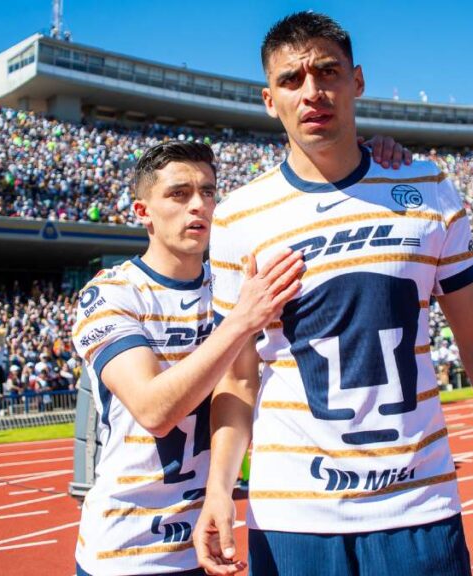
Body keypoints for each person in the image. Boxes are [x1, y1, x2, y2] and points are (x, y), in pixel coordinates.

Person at [197, 12, 473, 576]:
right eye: (291, 80)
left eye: (327, 71)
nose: (312, 91)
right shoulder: (237, 218)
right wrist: (219, 488)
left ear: (357, 80)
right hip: (293, 513)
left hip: (418, 504)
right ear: (269, 100)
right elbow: (238, 373)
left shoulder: (426, 188)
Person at [70, 141, 305, 576]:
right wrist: (239, 322)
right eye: (179, 194)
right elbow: (154, 410)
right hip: (126, 551)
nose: (199, 205)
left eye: (208, 192)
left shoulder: (234, 287)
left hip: (210, 539)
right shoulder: (110, 293)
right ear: (143, 211)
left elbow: (243, 386)